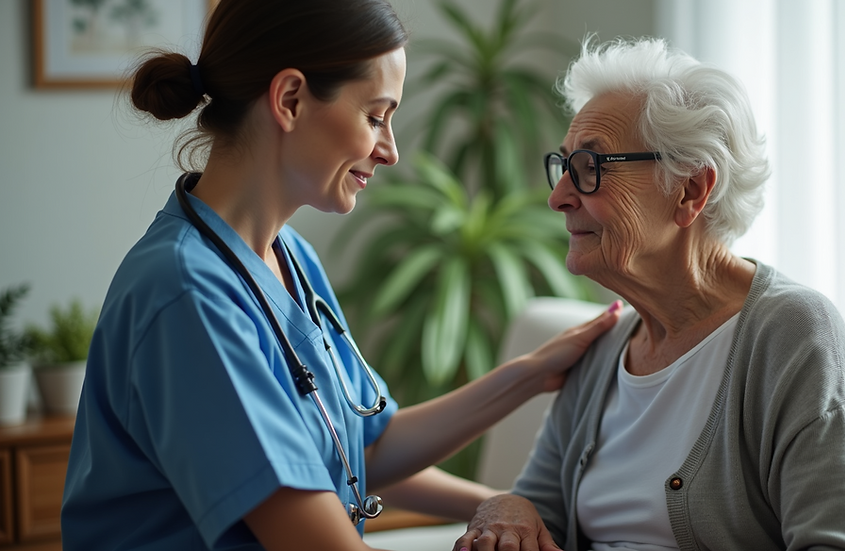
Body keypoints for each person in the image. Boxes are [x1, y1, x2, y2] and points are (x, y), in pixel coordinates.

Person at [59, 2, 622, 550]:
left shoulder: (290, 257)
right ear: (290, 99)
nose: (391, 151)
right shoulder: (186, 294)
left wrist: (526, 392)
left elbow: (366, 451)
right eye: (376, 116)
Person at [454, 37, 845, 551]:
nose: (559, 195)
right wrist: (507, 510)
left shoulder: (793, 332)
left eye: (590, 167)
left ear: (690, 190)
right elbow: (541, 507)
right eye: (564, 166)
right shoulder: (607, 344)